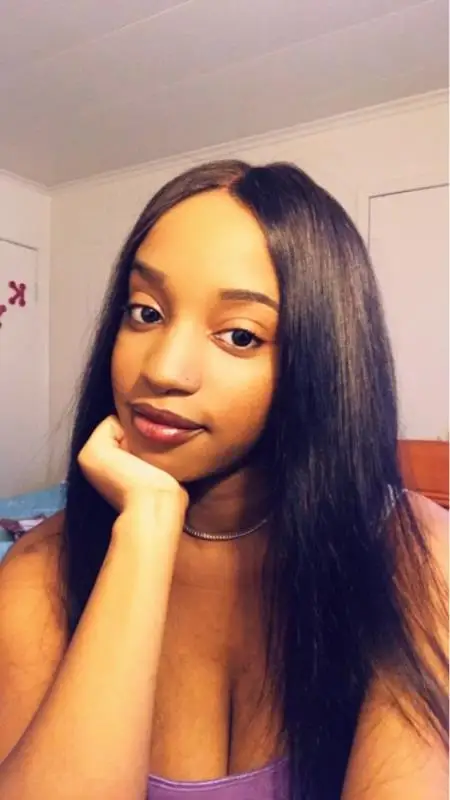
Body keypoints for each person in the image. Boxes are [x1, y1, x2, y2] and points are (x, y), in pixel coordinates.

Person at [0, 160, 447, 800]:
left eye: (239, 335)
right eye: (145, 312)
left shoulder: (416, 556)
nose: (164, 369)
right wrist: (146, 531)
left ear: (319, 362)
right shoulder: (38, 571)